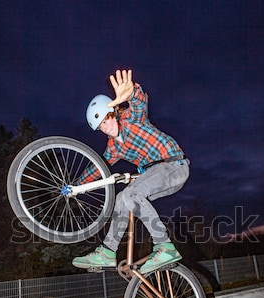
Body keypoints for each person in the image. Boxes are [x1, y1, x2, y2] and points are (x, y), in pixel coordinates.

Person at [72, 69, 189, 274]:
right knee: (122, 198)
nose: (106, 127)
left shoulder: (130, 119)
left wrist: (132, 92)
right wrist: (78, 186)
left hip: (174, 166)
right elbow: (97, 168)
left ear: (114, 113)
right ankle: (108, 251)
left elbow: (140, 103)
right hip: (159, 175)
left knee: (131, 193)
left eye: (106, 120)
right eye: (100, 127)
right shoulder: (114, 148)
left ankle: (165, 246)